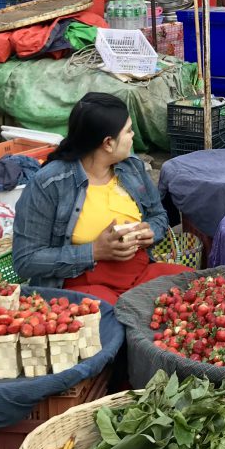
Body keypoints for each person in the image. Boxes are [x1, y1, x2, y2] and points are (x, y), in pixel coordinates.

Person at [12, 93, 187, 303]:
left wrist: (150, 231)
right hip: (83, 284)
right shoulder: (50, 184)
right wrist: (94, 252)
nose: (132, 136)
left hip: (139, 273)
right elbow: (26, 260)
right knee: (114, 320)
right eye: (129, 131)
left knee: (192, 288)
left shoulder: (132, 168)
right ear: (108, 143)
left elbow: (158, 215)